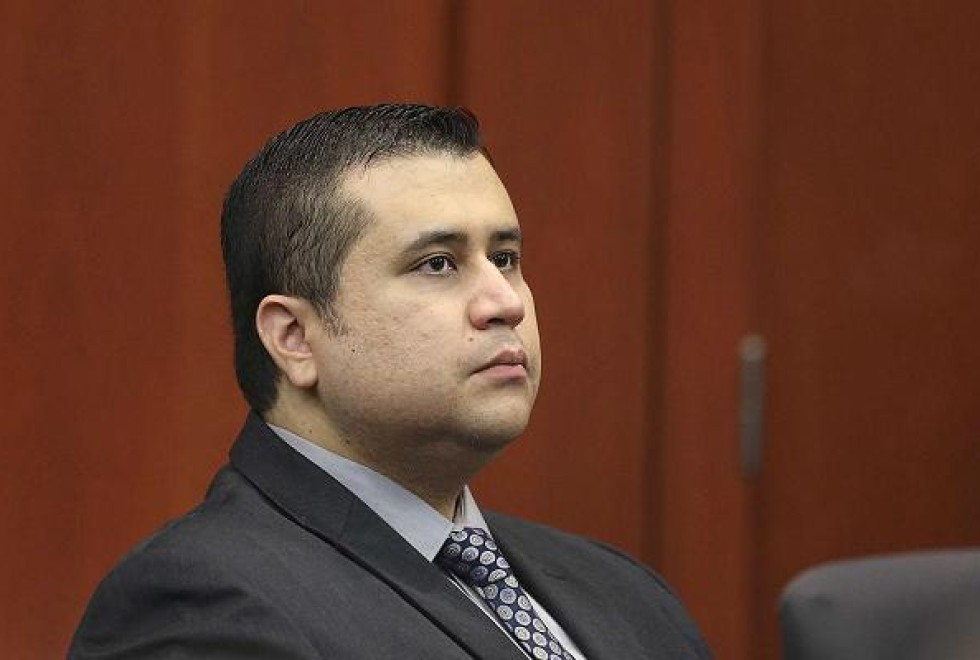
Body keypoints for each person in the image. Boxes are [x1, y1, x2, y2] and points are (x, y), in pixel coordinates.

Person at [70, 104, 711, 659]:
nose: (504, 301)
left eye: (506, 258)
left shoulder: (625, 590)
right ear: (294, 338)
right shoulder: (200, 605)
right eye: (437, 264)